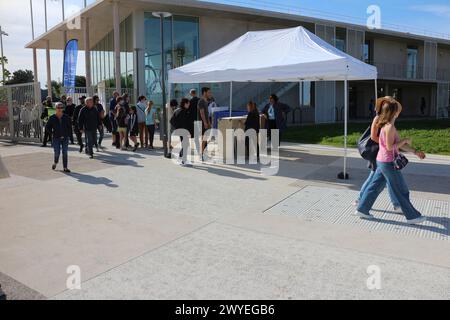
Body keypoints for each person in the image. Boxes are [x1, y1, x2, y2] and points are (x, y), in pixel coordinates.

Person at [356, 100, 427, 225]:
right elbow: (390, 147)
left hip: (382, 161)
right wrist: (404, 140)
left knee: (375, 186)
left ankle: (362, 209)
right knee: (401, 190)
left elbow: (397, 145)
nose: (399, 112)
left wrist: (415, 152)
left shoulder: (387, 126)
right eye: (398, 110)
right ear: (395, 112)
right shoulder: (390, 127)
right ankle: (412, 216)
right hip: (388, 163)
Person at [354, 97, 401, 211]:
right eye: (388, 103)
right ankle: (360, 199)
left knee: (387, 179)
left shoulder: (390, 118)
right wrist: (384, 144)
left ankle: (396, 204)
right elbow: (373, 136)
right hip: (378, 152)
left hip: (386, 153)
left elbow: (399, 108)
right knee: (375, 177)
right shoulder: (377, 118)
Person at [45, 102, 72, 173]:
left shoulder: (66, 117)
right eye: (58, 107)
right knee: (57, 152)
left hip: (65, 138)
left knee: (65, 152)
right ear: (55, 109)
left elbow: (70, 127)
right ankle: (55, 162)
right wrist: (52, 133)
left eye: (61, 107)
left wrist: (68, 135)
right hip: (56, 138)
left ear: (63, 109)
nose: (60, 109)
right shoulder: (52, 117)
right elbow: (47, 127)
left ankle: (65, 167)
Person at [171, 98, 192, 165]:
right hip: (184, 130)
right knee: (185, 145)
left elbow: (171, 121)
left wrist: (176, 127)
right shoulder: (184, 111)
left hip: (180, 130)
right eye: (188, 103)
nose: (189, 105)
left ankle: (181, 157)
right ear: (185, 104)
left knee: (185, 144)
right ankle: (184, 160)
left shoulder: (177, 110)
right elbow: (185, 123)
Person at [198, 87, 212, 157]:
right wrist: (205, 123)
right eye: (209, 92)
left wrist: (209, 122)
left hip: (206, 122)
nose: (210, 94)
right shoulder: (201, 101)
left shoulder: (205, 101)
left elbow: (207, 113)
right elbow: (202, 113)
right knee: (204, 138)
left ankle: (204, 153)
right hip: (202, 123)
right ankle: (201, 154)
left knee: (206, 138)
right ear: (204, 93)